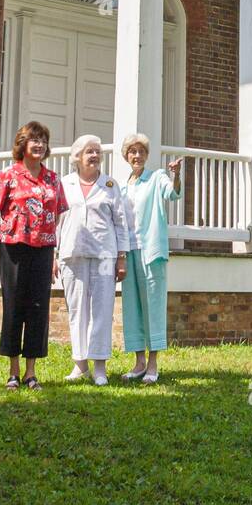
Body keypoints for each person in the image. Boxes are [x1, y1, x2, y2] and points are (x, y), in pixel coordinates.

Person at [0, 121, 68, 390]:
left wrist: (46, 240)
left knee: (38, 308)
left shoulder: (53, 179)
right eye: (34, 139)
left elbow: (56, 215)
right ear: (23, 144)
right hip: (14, 249)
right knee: (14, 306)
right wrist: (5, 237)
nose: (39, 144)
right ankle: (13, 371)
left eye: (43, 139)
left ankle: (31, 372)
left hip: (43, 250)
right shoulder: (7, 176)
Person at [57, 134, 130, 386]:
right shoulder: (64, 184)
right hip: (71, 254)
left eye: (97, 151)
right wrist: (54, 254)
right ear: (77, 156)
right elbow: (57, 222)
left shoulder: (110, 184)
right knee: (77, 310)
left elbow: (121, 223)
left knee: (101, 310)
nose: (95, 156)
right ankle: (80, 365)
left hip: (105, 255)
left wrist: (122, 258)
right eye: (89, 151)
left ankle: (100, 367)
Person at [120, 133, 182, 385]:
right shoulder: (122, 186)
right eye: (133, 151)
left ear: (147, 155)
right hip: (129, 250)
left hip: (151, 251)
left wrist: (175, 175)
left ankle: (153, 363)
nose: (137, 156)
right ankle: (138, 362)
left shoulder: (157, 178)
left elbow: (173, 194)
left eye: (141, 151)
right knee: (132, 305)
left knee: (153, 306)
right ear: (127, 156)